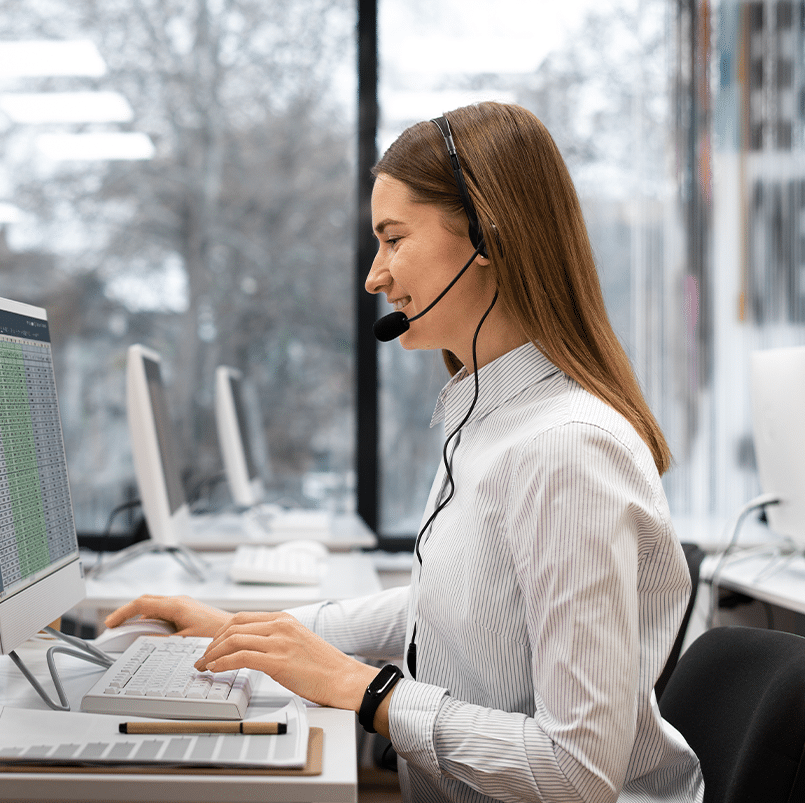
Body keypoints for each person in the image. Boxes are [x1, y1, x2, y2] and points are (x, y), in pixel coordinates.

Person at [105, 102, 704, 803]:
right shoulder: (488, 418)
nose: (374, 276)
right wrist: (260, 634)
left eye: (392, 239)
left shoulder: (563, 451)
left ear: (485, 232)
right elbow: (450, 609)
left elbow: (575, 770)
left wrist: (364, 689)